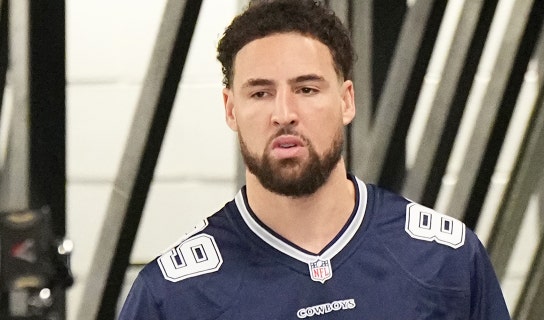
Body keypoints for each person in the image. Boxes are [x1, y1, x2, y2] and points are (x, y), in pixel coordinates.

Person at [118, 0, 511, 319]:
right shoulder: (172, 296)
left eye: (306, 89)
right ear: (230, 108)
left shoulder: (446, 262)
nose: (284, 113)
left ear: (346, 101)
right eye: (260, 93)